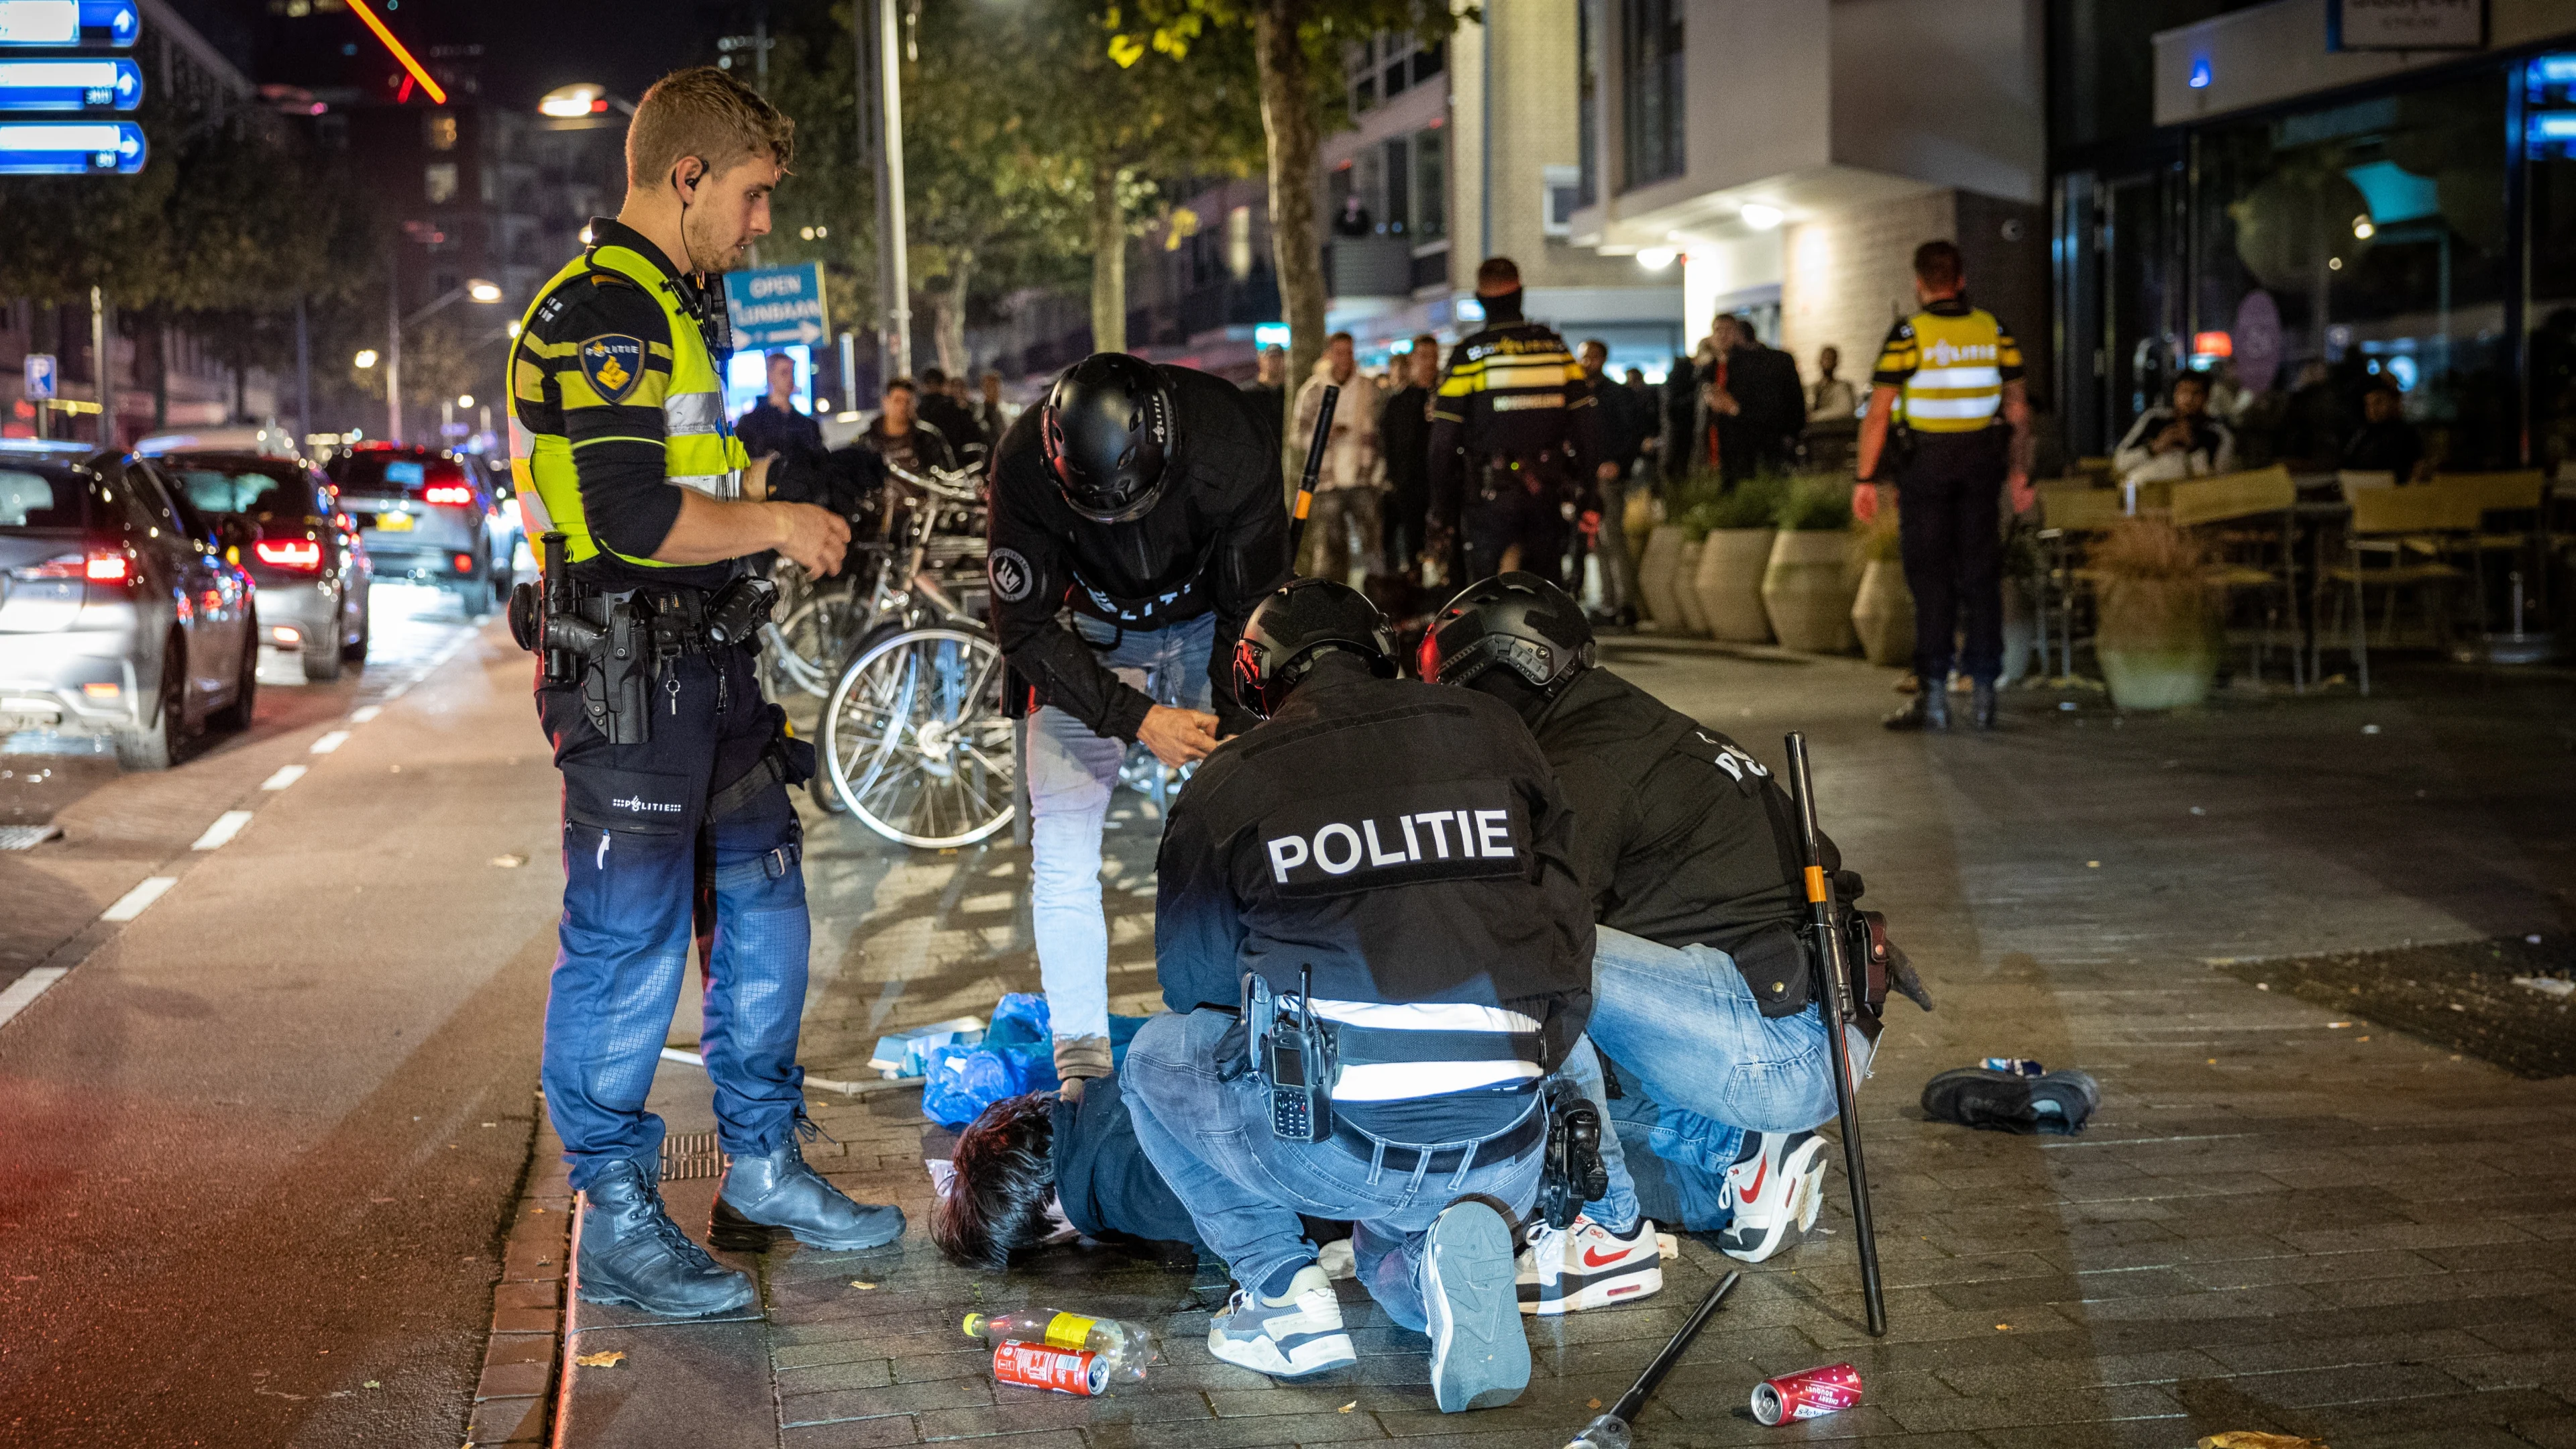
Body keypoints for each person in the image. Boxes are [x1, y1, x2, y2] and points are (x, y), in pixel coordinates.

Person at [502, 66, 902, 1319]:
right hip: (629, 679)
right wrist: (778, 520)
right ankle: (618, 1217)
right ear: (688, 179)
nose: (763, 223)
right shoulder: (606, 312)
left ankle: (765, 1166)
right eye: (755, 196)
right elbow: (622, 517)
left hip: (705, 668)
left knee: (767, 906)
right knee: (625, 952)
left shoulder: (673, 305)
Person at [1130, 579, 1596, 1409]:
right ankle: (1436, 1259)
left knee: (1154, 1058)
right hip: (1509, 1147)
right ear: (1383, 652)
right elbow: (1570, 922)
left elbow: (1192, 988)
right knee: (1390, 1270)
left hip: (1332, 1151)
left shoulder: (1229, 779)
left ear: (1258, 679)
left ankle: (1281, 1294)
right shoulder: (1492, 729)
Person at [1418, 575, 1925, 1265]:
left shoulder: (1583, 765)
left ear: (1515, 671)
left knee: (1530, 947)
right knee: (1539, 1126)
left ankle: (1616, 1229)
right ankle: (1734, 1165)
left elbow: (1538, 940)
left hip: (1780, 1047)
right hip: (1804, 1022)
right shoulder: (1621, 722)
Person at [986, 352, 1290, 1092]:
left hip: (1206, 625)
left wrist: (1226, 716)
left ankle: (1233, 1018)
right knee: (1061, 850)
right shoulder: (1023, 461)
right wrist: (1136, 717)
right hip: (1084, 636)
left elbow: (1249, 603)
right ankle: (1081, 1060)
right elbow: (1022, 626)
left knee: (1245, 832)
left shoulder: (1228, 436)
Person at [1856, 239, 2034, 733]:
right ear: (1960, 280)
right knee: (1981, 576)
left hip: (1927, 468)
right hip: (1982, 466)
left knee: (1930, 579)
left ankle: (1933, 694)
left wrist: (1865, 478)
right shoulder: (1993, 330)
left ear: (1920, 283)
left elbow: (1878, 414)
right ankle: (1983, 692)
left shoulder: (1908, 335)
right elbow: (2018, 410)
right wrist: (2021, 473)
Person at [1428, 256, 1599, 589]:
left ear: (1480, 301)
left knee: (1486, 599)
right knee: (1547, 599)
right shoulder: (1555, 350)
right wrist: (1589, 495)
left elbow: (1442, 443)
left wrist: (1440, 510)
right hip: (1547, 494)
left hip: (1490, 497)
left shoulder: (1471, 355)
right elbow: (1588, 428)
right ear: (1520, 293)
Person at [931, 1075, 1203, 1269]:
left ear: (1043, 1211)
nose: (1046, 1246)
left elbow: (1237, 1222)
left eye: (1037, 1243)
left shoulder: (1133, 1195)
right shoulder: (1100, 1097)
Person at [1291, 331, 1387, 580]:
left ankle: (1379, 601)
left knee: (1372, 546)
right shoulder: (1312, 391)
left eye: (1349, 352)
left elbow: (1383, 431)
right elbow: (1297, 437)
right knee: (1331, 549)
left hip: (1363, 479)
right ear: (1329, 354)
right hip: (1327, 482)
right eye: (1339, 352)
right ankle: (1334, 604)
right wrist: (1323, 434)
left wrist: (1378, 472)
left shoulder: (1369, 388)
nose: (1345, 358)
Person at [1579, 339, 1649, 627]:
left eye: (1593, 357)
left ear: (1603, 360)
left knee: (1613, 538)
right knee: (1596, 542)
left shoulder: (1617, 395)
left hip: (1609, 479)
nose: (1587, 363)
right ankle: (1608, 602)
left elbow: (1632, 433)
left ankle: (1625, 604)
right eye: (1584, 357)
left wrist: (1618, 464)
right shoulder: (1580, 395)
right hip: (1587, 479)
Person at [2110, 372, 2236, 493]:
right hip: (2140, 493)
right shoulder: (2154, 420)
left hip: (2187, 500)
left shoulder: (2218, 435)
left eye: (2196, 393)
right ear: (2175, 393)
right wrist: (2154, 448)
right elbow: (2120, 462)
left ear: (2206, 397)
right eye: (2184, 392)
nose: (2189, 399)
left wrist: (2191, 447)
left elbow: (2219, 482)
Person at [1378, 335, 1440, 578]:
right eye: (1424, 357)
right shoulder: (1398, 402)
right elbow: (1390, 444)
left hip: (1440, 484)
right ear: (1413, 359)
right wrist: (1396, 481)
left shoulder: (1446, 397)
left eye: (1433, 357)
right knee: (1412, 545)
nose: (1429, 363)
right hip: (1410, 487)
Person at [735, 352, 824, 472]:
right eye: (784, 373)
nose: (790, 379)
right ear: (770, 376)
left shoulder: (808, 425)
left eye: (792, 372)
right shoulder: (751, 423)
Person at [862, 376, 958, 476]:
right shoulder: (868, 442)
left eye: (908, 401)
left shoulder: (928, 439)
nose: (903, 406)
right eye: (898, 401)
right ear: (886, 402)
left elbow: (947, 478)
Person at [2343, 378, 2424, 482]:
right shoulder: (2363, 434)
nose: (2373, 410)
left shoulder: (2407, 435)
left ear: (2394, 401)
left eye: (2378, 402)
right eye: (2368, 404)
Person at [1241, 345, 1289, 447]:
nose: (1274, 362)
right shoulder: (1247, 392)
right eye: (1270, 358)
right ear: (1260, 360)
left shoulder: (1289, 393)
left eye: (1278, 358)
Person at [1806, 345, 1860, 423]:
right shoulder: (1811, 388)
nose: (1828, 362)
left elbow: (1846, 410)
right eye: (1826, 358)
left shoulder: (1842, 387)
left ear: (1836, 363)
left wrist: (1815, 416)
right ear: (1820, 361)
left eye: (1831, 359)